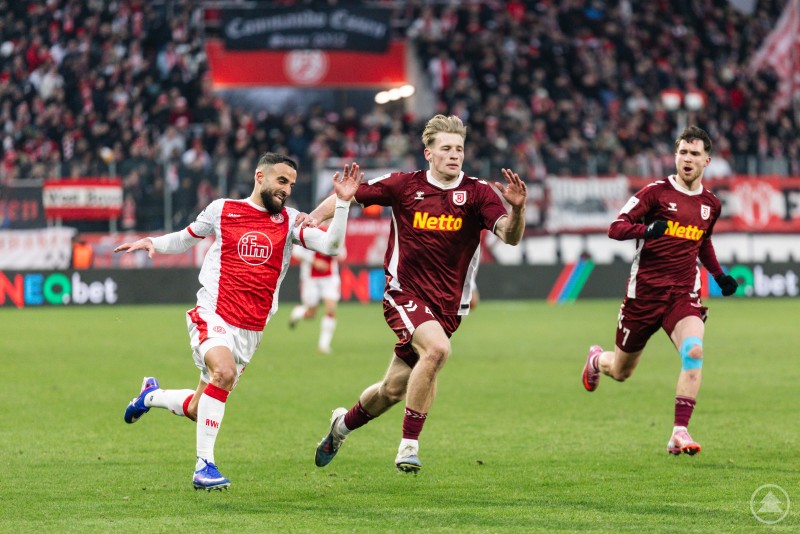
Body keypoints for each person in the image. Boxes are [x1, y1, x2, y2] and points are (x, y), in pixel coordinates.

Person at [115, 153, 362, 491]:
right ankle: (205, 466)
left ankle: (150, 396)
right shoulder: (223, 210)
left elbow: (332, 246)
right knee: (224, 372)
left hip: (251, 330)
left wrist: (344, 203)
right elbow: (185, 237)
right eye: (281, 181)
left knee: (197, 408)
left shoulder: (290, 221)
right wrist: (152, 242)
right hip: (213, 313)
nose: (287, 189)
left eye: (291, 184)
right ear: (260, 177)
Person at [309, 114, 528, 473]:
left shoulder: (478, 193)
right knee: (438, 350)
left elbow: (510, 235)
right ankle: (408, 446)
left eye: (459, 148)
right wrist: (314, 218)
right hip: (403, 292)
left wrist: (518, 209)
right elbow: (346, 194)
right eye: (446, 149)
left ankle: (341, 427)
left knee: (392, 390)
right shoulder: (403, 185)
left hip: (447, 306)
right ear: (429, 153)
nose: (454, 155)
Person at [581, 125, 739, 456]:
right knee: (622, 372)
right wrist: (647, 230)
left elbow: (703, 242)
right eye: (683, 152)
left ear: (706, 161)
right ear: (675, 156)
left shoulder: (711, 204)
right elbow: (616, 228)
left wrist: (719, 274)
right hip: (644, 296)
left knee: (694, 351)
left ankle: (679, 431)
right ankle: (597, 360)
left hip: (682, 295)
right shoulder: (655, 193)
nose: (687, 158)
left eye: (695, 154)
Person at [288, 231, 343, 354]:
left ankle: (323, 346)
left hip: (330, 278)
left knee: (331, 308)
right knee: (311, 314)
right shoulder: (309, 231)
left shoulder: (336, 231)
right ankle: (298, 312)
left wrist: (335, 250)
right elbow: (297, 252)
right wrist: (314, 261)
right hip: (310, 279)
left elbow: (343, 252)